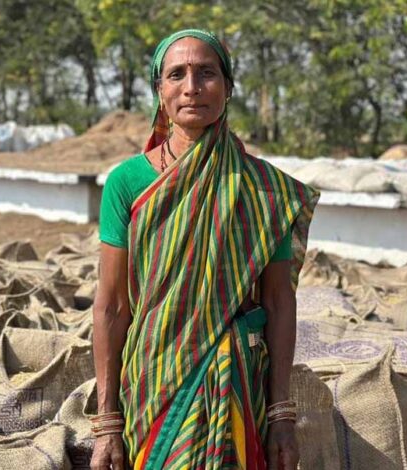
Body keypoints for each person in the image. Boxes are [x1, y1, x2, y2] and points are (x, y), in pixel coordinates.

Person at [90, 29, 318, 470]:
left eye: (207, 73)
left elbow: (277, 301)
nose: (191, 87)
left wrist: (281, 413)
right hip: (153, 383)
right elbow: (112, 306)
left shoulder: (264, 188)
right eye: (176, 74)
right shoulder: (127, 182)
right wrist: (107, 422)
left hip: (236, 383)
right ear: (159, 91)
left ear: (228, 87)